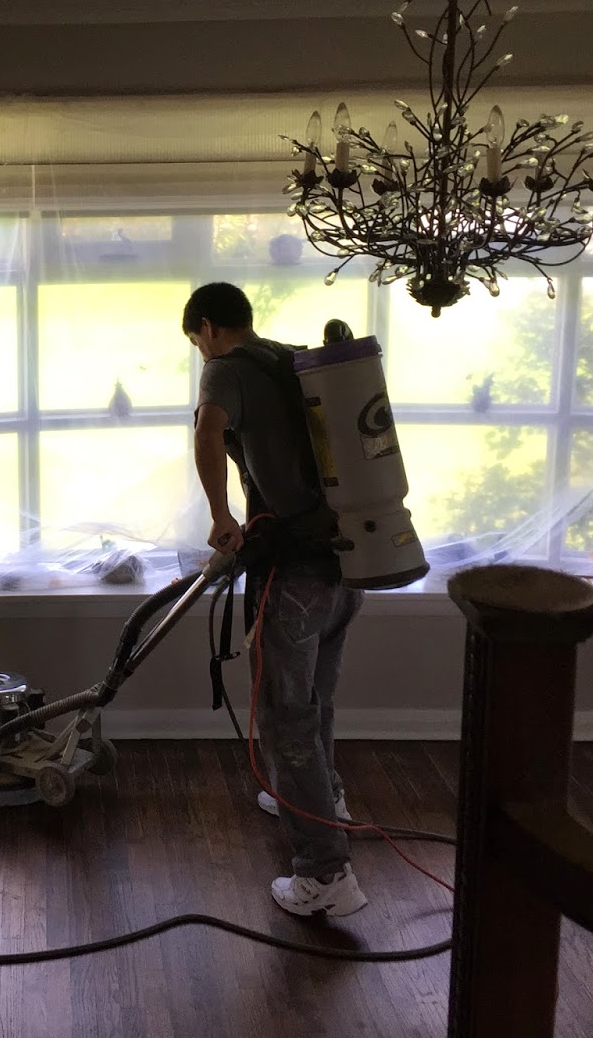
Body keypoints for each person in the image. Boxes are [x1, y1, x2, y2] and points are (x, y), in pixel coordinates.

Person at [183, 282, 368, 918]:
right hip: (348, 565)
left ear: (207, 328)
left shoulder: (226, 370)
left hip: (294, 578)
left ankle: (325, 876)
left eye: (196, 342)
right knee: (315, 701)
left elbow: (208, 435)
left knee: (286, 721)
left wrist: (219, 515)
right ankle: (323, 797)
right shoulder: (292, 359)